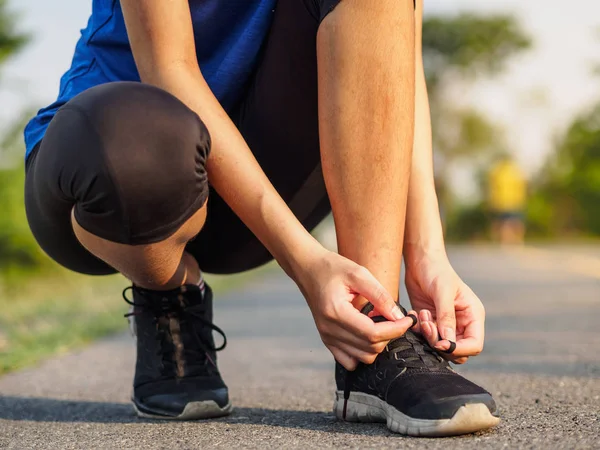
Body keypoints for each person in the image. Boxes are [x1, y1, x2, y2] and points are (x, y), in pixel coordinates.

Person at [23, 0, 499, 437]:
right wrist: (304, 263)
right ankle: (169, 297)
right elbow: (170, 71)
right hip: (114, 170)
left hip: (254, 180)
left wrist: (427, 254)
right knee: (132, 143)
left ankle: (375, 332)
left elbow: (395, 59)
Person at [488, 155, 527, 245]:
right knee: (515, 222)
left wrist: (493, 201)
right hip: (515, 200)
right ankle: (518, 240)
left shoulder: (498, 171)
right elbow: (522, 185)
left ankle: (505, 241)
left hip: (503, 201)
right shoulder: (516, 171)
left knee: (504, 222)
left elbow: (494, 188)